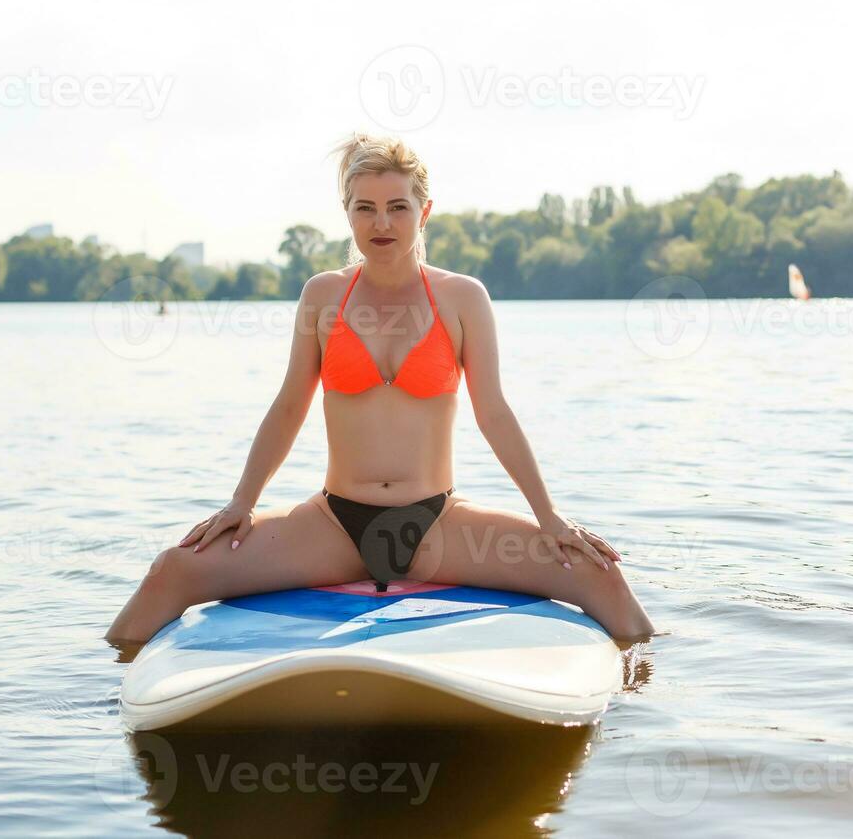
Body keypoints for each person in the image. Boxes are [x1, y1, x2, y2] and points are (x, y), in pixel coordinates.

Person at [106, 133, 654, 645]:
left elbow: (495, 414)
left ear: (425, 212)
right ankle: (102, 708)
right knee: (170, 571)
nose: (381, 222)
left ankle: (642, 693)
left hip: (437, 525)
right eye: (364, 207)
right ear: (347, 214)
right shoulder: (323, 296)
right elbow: (290, 404)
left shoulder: (463, 298)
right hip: (334, 526)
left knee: (597, 574)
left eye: (398, 207)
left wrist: (548, 517)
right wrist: (242, 501)